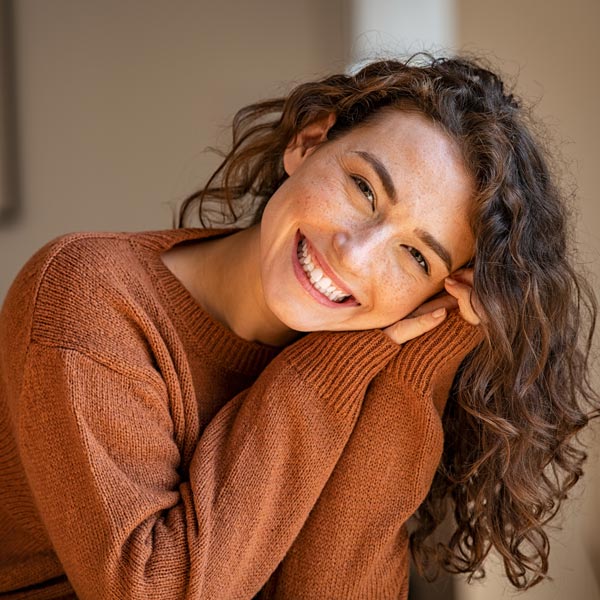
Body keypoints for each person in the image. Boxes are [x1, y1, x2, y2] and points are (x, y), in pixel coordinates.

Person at [0, 54, 596, 599]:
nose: (355, 255)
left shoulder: (373, 361)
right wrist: (330, 368)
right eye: (363, 189)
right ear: (307, 144)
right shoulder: (88, 291)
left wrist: (417, 366)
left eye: (416, 257)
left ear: (439, 291)